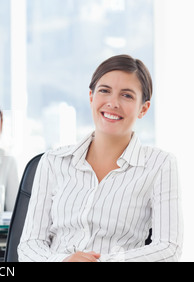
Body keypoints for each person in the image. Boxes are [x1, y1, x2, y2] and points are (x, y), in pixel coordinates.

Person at [18, 54, 183, 262]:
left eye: (127, 95)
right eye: (104, 91)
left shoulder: (160, 165)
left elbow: (168, 248)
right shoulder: (53, 161)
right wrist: (63, 261)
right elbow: (29, 245)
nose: (113, 103)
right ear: (91, 97)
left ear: (144, 108)